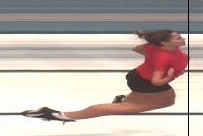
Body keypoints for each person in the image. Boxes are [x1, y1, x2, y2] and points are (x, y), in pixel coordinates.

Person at [23, 30, 188, 123]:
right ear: (165, 43)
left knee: (167, 100)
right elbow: (156, 81)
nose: (183, 38)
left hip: (139, 77)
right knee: (149, 104)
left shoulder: (157, 48)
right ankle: (60, 114)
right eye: (178, 38)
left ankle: (124, 99)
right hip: (146, 82)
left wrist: (155, 63)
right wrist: (168, 75)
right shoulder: (162, 57)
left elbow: (137, 49)